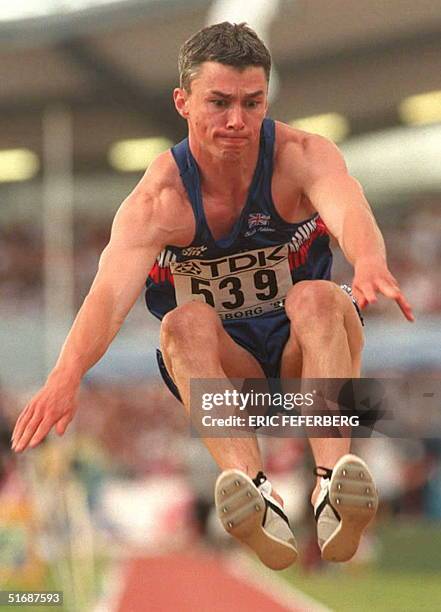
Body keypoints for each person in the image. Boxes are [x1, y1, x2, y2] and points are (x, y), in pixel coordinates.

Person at [11, 22, 414, 569]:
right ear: (182, 101)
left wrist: (369, 260)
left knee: (318, 296)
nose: (236, 122)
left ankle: (330, 490)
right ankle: (257, 495)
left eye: (252, 103)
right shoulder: (160, 198)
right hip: (229, 375)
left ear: (267, 99)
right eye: (219, 102)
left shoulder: (300, 155)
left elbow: (349, 207)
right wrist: (65, 377)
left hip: (311, 359)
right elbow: (108, 296)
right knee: (182, 322)